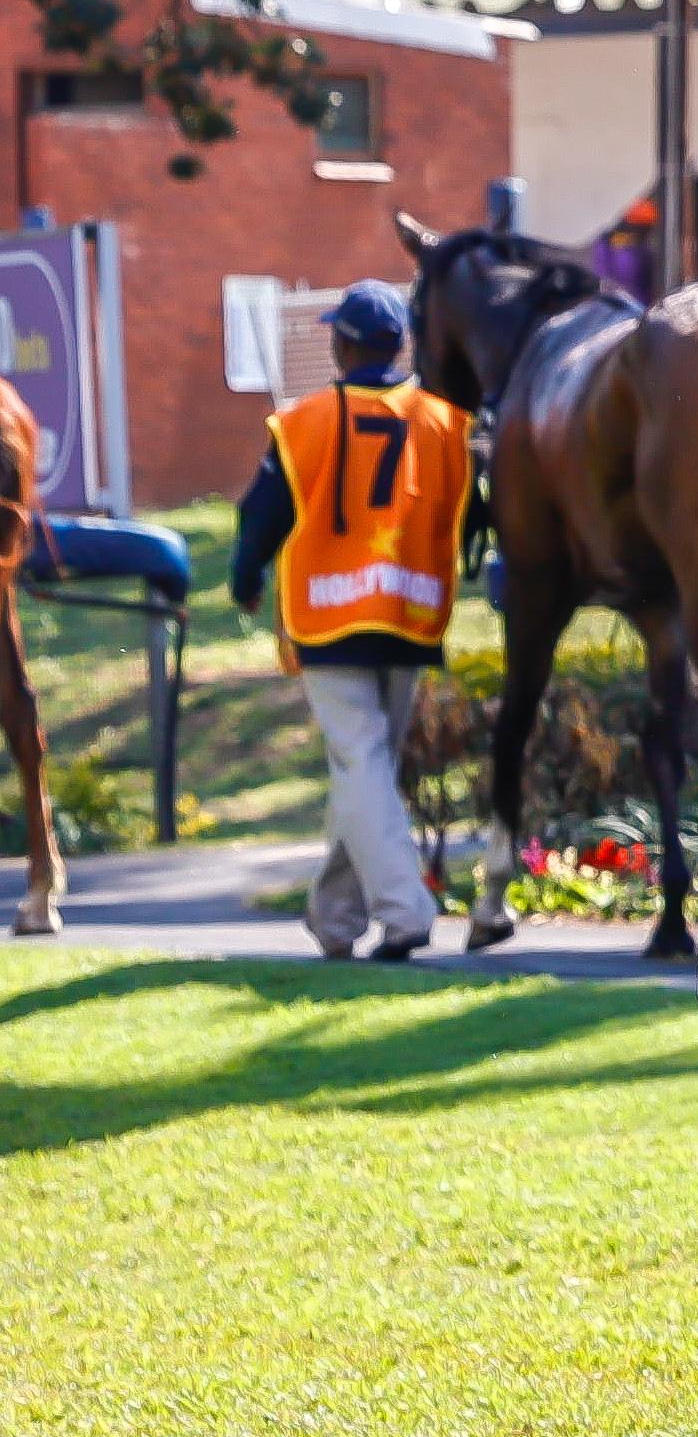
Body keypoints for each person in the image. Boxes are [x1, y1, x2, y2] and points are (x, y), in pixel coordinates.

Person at [227, 280, 473, 961]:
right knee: (365, 768)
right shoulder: (443, 422)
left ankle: (405, 911)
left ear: (341, 345)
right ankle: (335, 919)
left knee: (359, 764)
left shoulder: (305, 421)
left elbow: (260, 515)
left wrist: (245, 580)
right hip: (412, 613)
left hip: (330, 614)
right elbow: (470, 514)